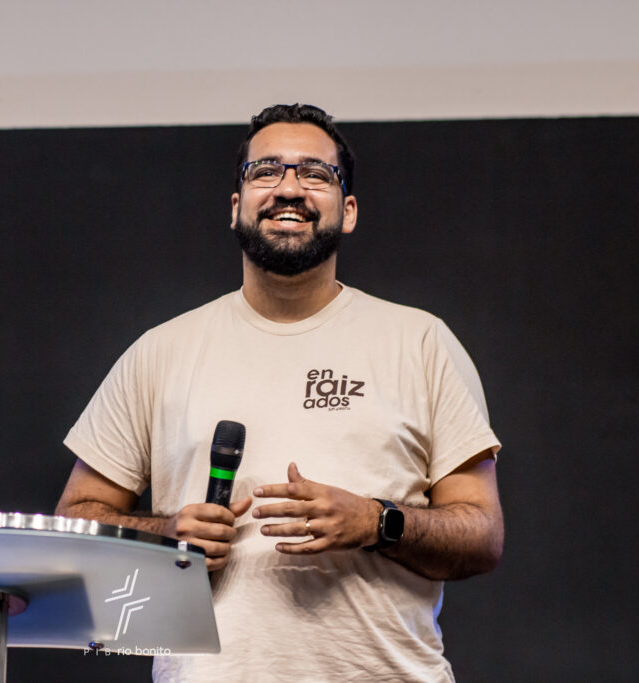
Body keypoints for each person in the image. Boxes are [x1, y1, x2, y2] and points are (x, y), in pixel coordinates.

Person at [56, 103, 504, 682]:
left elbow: (482, 536)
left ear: (348, 211)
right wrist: (167, 537)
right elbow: (75, 522)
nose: (288, 188)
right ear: (236, 205)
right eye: (265, 171)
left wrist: (376, 521)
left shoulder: (421, 342)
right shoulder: (159, 352)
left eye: (315, 173)